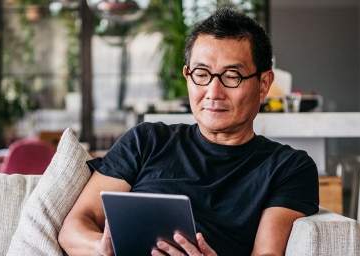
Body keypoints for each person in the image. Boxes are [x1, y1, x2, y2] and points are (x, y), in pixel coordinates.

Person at [58, 8, 319, 256]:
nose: (213, 93)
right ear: (187, 76)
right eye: (202, 74)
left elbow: (266, 252)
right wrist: (102, 250)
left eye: (231, 76)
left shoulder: (288, 168)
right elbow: (74, 227)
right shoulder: (146, 141)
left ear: (263, 84)